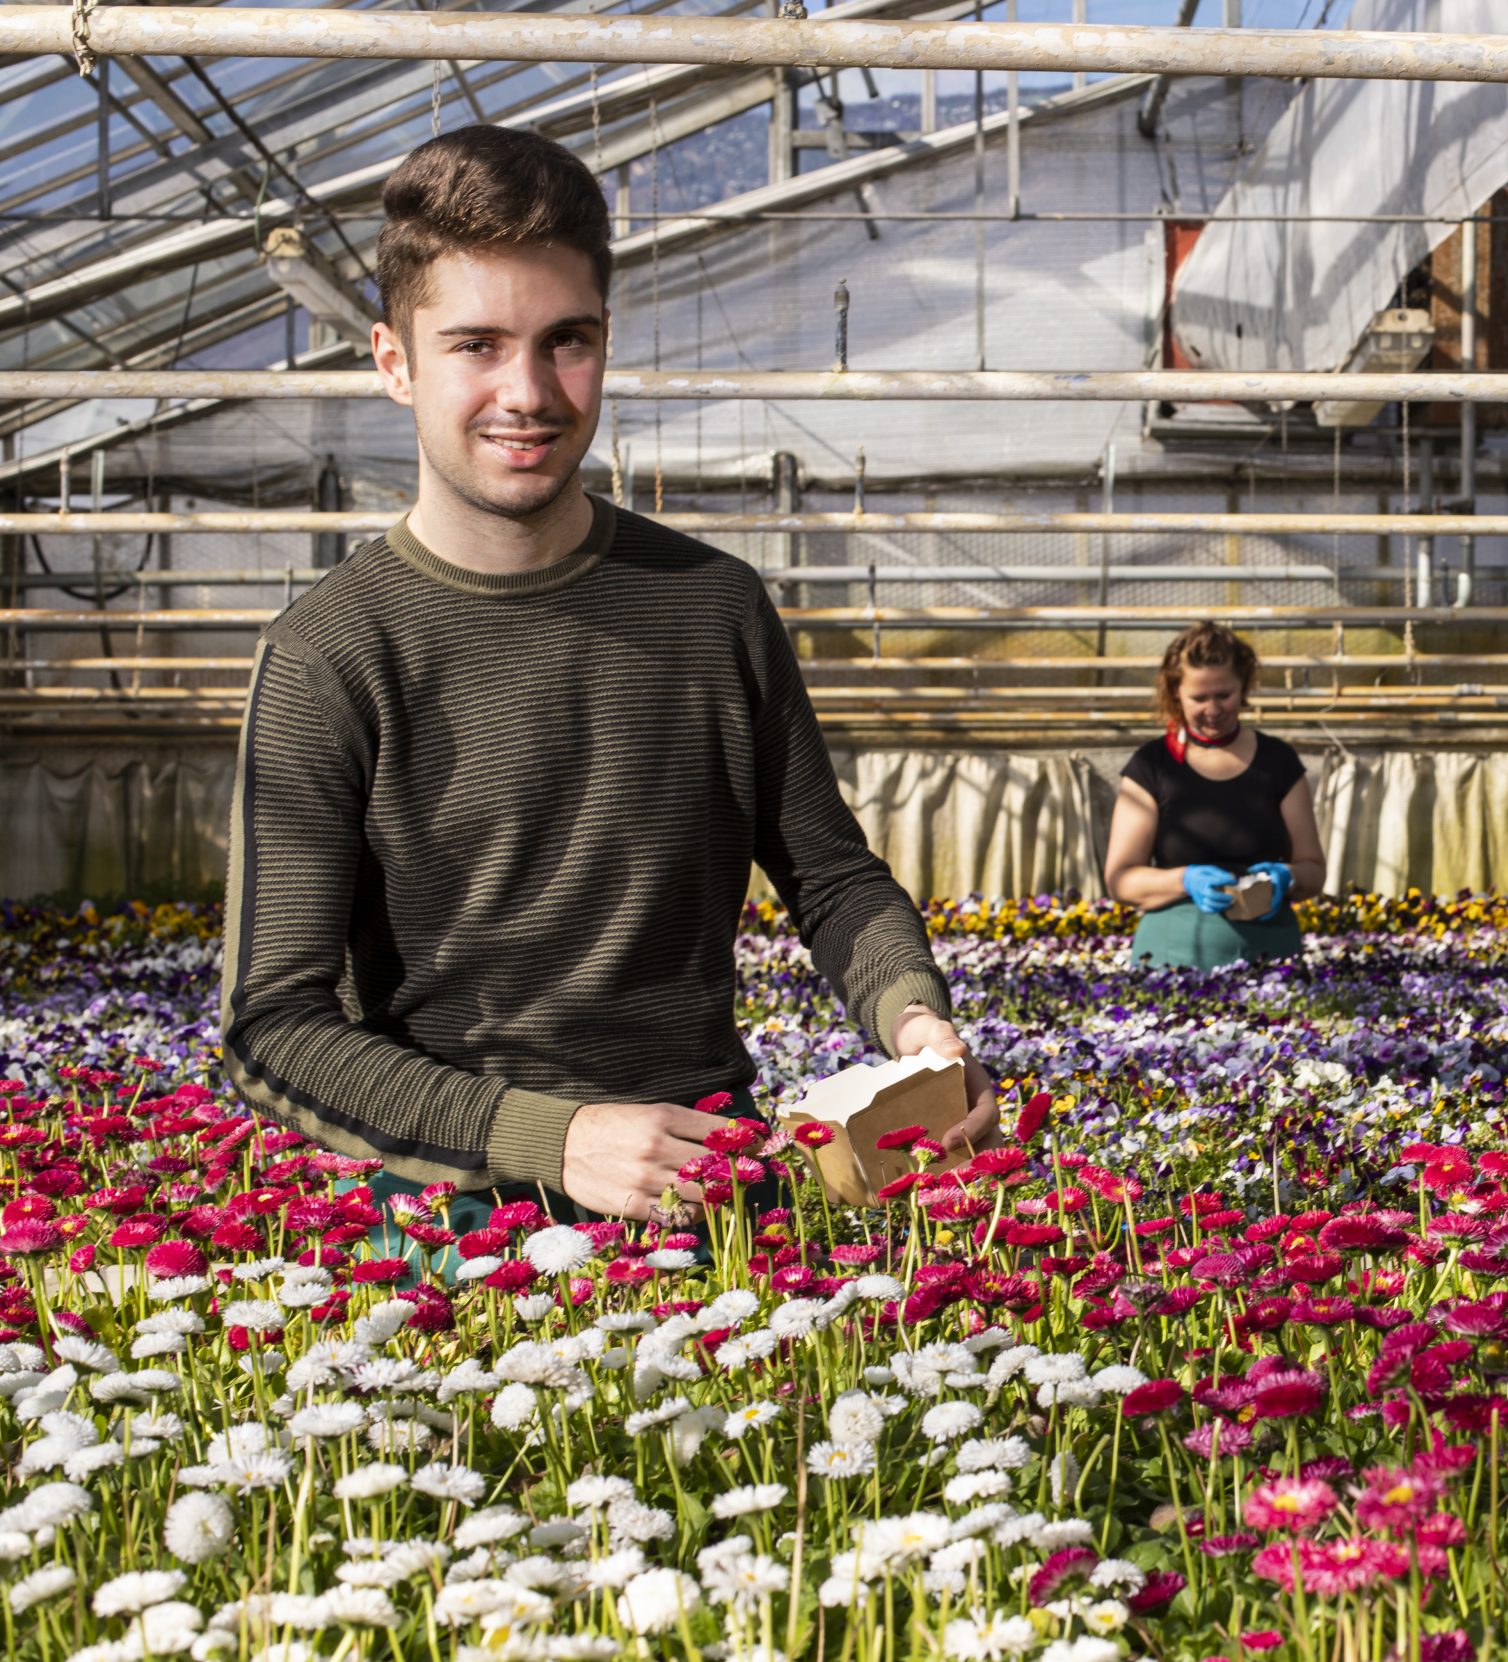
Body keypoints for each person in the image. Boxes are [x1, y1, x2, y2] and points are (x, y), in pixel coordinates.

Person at [218, 125, 996, 1240]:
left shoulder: (712, 606)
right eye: (476, 344)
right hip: (452, 1217)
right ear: (393, 360)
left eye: (564, 341)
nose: (527, 391)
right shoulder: (330, 655)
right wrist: (549, 1137)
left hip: (711, 1180)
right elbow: (273, 1027)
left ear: (605, 343)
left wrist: (917, 1027)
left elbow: (831, 881)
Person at [1104, 621, 1327, 968]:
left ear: (1244, 686)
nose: (1213, 709)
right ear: (1175, 692)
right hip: (1170, 957)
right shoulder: (1151, 766)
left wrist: (1288, 877)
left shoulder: (1278, 762)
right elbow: (1121, 880)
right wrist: (1185, 880)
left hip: (1270, 959)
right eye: (1199, 698)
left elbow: (1314, 870)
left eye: (1224, 695)